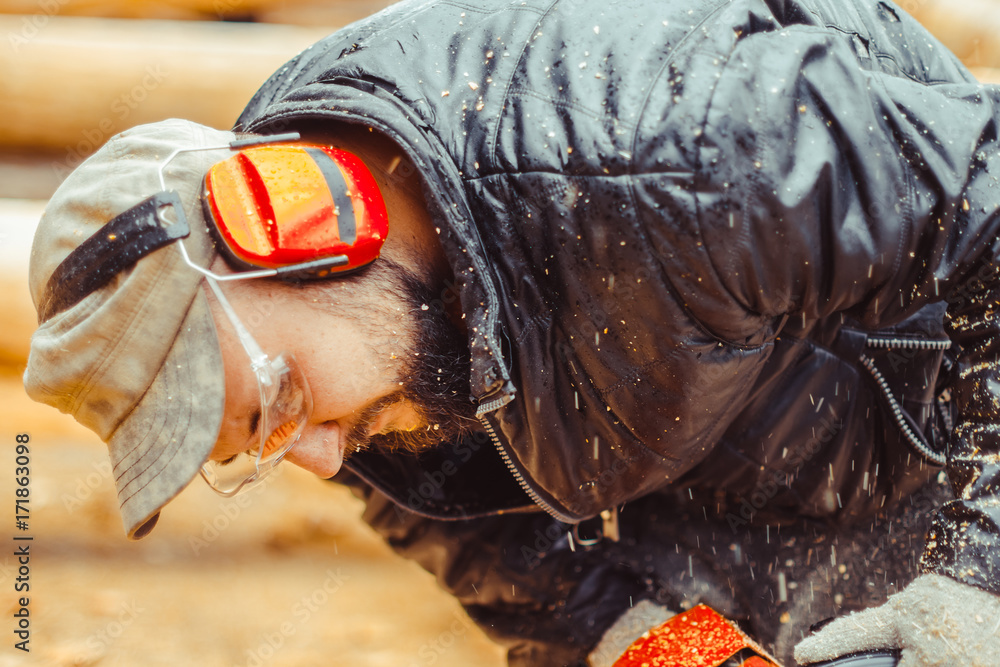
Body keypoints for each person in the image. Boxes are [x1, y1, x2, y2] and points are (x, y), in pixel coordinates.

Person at [23, 0, 1000, 664]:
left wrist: (973, 590)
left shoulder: (671, 149)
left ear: (303, 224)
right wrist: (634, 632)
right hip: (720, 458)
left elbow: (984, 203)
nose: (317, 460)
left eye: (275, 404)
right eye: (259, 445)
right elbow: (460, 518)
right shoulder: (368, 343)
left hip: (946, 418)